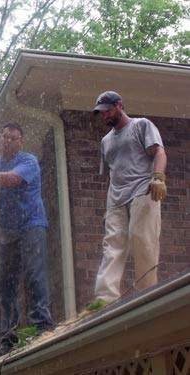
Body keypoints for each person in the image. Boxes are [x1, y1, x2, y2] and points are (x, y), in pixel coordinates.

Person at [88, 91, 167, 310]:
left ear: (120, 105)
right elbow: (112, 173)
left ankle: (147, 295)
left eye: (108, 111)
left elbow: (159, 152)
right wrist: (109, 206)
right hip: (116, 198)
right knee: (112, 245)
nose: (104, 116)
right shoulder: (106, 141)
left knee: (143, 240)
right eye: (101, 113)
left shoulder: (141, 125)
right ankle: (104, 299)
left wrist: (158, 178)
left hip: (143, 190)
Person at [0, 123, 54, 354]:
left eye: (13, 138)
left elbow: (11, 180)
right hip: (7, 231)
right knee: (5, 283)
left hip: (31, 225)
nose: (7, 141)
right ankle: (8, 337)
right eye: (4, 136)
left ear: (21, 141)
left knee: (34, 272)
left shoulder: (28, 161)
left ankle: (43, 324)